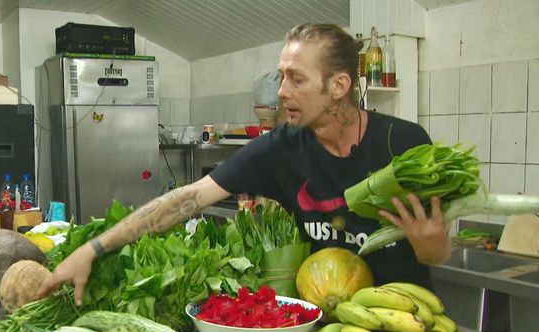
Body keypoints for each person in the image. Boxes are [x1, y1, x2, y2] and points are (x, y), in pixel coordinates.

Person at [38, 23, 451, 306]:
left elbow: (436, 254)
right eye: (281, 77)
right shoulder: (280, 148)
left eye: (296, 79)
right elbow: (186, 200)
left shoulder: (404, 144)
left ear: (338, 85)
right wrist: (94, 248)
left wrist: (433, 248)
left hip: (405, 325)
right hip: (328, 328)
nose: (281, 92)